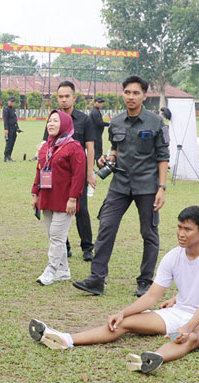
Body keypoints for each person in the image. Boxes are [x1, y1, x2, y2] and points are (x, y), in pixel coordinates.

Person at [30, 206, 199, 375]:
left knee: (190, 337)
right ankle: (66, 339)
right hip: (178, 313)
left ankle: (150, 360)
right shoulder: (172, 256)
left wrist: (187, 328)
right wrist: (123, 313)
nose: (181, 234)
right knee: (123, 323)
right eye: (179, 227)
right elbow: (152, 295)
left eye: (188, 229)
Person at [72, 75, 169, 297]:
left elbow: (163, 156)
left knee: (149, 232)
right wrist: (108, 158)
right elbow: (116, 148)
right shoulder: (115, 122)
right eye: (127, 92)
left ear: (144, 96)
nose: (131, 97)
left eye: (136, 93)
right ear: (122, 94)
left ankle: (145, 281)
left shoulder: (156, 122)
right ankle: (96, 279)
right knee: (106, 226)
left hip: (147, 186)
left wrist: (162, 188)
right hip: (120, 184)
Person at [43, 81, 96, 261]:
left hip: (77, 173)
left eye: (67, 96)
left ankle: (87, 247)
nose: (64, 100)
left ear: (74, 97)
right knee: (57, 209)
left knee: (81, 210)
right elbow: (46, 146)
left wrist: (89, 173)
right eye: (60, 97)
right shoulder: (53, 119)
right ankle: (64, 247)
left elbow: (90, 147)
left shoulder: (85, 120)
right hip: (57, 174)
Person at [31, 111, 86, 285]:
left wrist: (73, 198)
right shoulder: (45, 147)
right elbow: (39, 171)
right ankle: (63, 270)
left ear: (65, 124)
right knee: (53, 236)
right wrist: (35, 193)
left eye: (56, 121)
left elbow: (79, 175)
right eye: (49, 121)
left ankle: (51, 270)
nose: (51, 124)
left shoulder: (74, 147)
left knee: (56, 236)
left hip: (65, 199)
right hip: (47, 196)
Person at [89, 97, 109, 163]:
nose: (101, 104)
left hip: (95, 135)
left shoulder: (95, 111)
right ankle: (99, 165)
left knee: (96, 153)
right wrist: (109, 124)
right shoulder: (95, 112)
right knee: (98, 153)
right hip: (96, 136)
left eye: (101, 102)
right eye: (99, 102)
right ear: (95, 102)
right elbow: (99, 123)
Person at [3, 96, 18, 162]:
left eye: (13, 102)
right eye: (11, 101)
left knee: (12, 142)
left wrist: (17, 128)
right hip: (9, 128)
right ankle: (6, 157)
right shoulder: (6, 109)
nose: (12, 103)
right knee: (9, 142)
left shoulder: (13, 109)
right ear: (8, 101)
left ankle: (9, 156)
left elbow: (14, 119)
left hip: (14, 128)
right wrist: (6, 129)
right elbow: (5, 120)